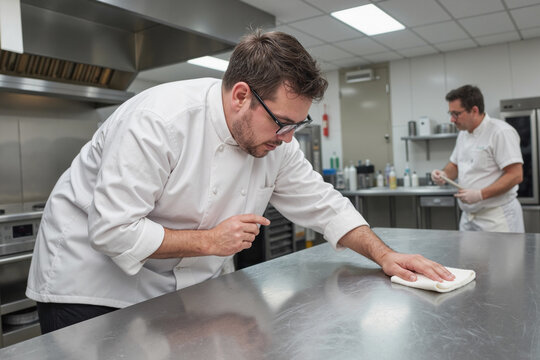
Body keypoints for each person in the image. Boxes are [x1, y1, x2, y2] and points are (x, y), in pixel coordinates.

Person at [27, 29, 454, 334]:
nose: (287, 138)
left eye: (296, 127)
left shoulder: (276, 143)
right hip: (88, 287)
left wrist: (385, 256)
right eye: (281, 124)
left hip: (171, 291)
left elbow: (324, 203)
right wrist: (209, 242)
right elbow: (113, 229)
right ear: (241, 95)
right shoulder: (159, 121)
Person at [432, 85, 524, 232]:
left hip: (497, 218)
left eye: (456, 114)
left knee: (504, 256)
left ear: (474, 110)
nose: (452, 119)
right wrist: (444, 175)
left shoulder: (500, 132)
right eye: (450, 113)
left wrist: (480, 194)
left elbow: (515, 175)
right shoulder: (463, 134)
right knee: (469, 256)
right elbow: (454, 165)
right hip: (468, 217)